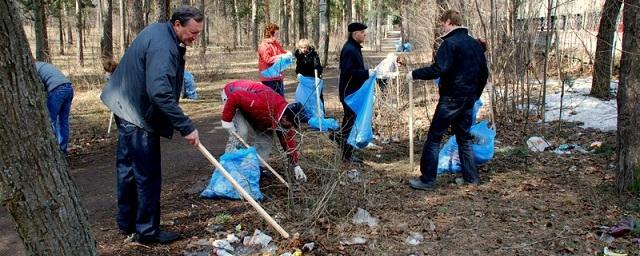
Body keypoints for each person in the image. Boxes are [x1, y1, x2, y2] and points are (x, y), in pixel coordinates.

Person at [100, 6, 203, 244]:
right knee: (146, 175)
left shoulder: (159, 32)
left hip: (124, 105)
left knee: (128, 169)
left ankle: (127, 223)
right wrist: (186, 125)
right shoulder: (164, 47)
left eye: (198, 33)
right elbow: (159, 93)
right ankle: (147, 231)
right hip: (136, 114)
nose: (195, 38)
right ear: (177, 24)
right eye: (193, 32)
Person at [405, 10, 489, 191]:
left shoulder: (449, 44)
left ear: (449, 22)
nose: (442, 27)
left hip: (451, 98)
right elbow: (484, 73)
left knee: (434, 137)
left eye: (443, 23)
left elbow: (438, 69)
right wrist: (475, 95)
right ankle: (471, 178)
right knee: (464, 138)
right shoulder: (475, 45)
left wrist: (414, 74)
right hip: (468, 99)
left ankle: (427, 179)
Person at [220, 80, 307, 182]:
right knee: (242, 132)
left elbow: (288, 141)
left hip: (250, 105)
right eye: (292, 124)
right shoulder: (263, 104)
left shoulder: (283, 116)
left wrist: (295, 165)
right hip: (232, 95)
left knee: (266, 138)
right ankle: (228, 167)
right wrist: (227, 121)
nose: (291, 127)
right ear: (285, 118)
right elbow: (236, 96)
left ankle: (257, 168)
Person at [337, 22, 374, 163]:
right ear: (355, 34)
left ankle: (341, 143)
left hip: (353, 92)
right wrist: (366, 73)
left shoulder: (354, 48)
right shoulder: (349, 49)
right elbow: (348, 71)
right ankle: (346, 155)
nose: (364, 34)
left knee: (349, 121)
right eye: (362, 32)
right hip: (349, 93)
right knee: (350, 123)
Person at [35, 61, 74, 156]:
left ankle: (55, 151)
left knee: (51, 121)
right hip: (69, 88)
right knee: (63, 121)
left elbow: (39, 86)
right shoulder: (45, 65)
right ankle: (63, 150)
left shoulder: (33, 68)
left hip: (57, 90)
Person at [258, 23, 291, 96]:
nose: (278, 35)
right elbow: (267, 59)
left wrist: (288, 54)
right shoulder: (264, 45)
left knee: (281, 100)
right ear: (271, 34)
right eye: (277, 33)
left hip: (278, 76)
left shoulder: (276, 44)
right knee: (272, 101)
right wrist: (281, 56)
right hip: (268, 78)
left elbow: (283, 52)